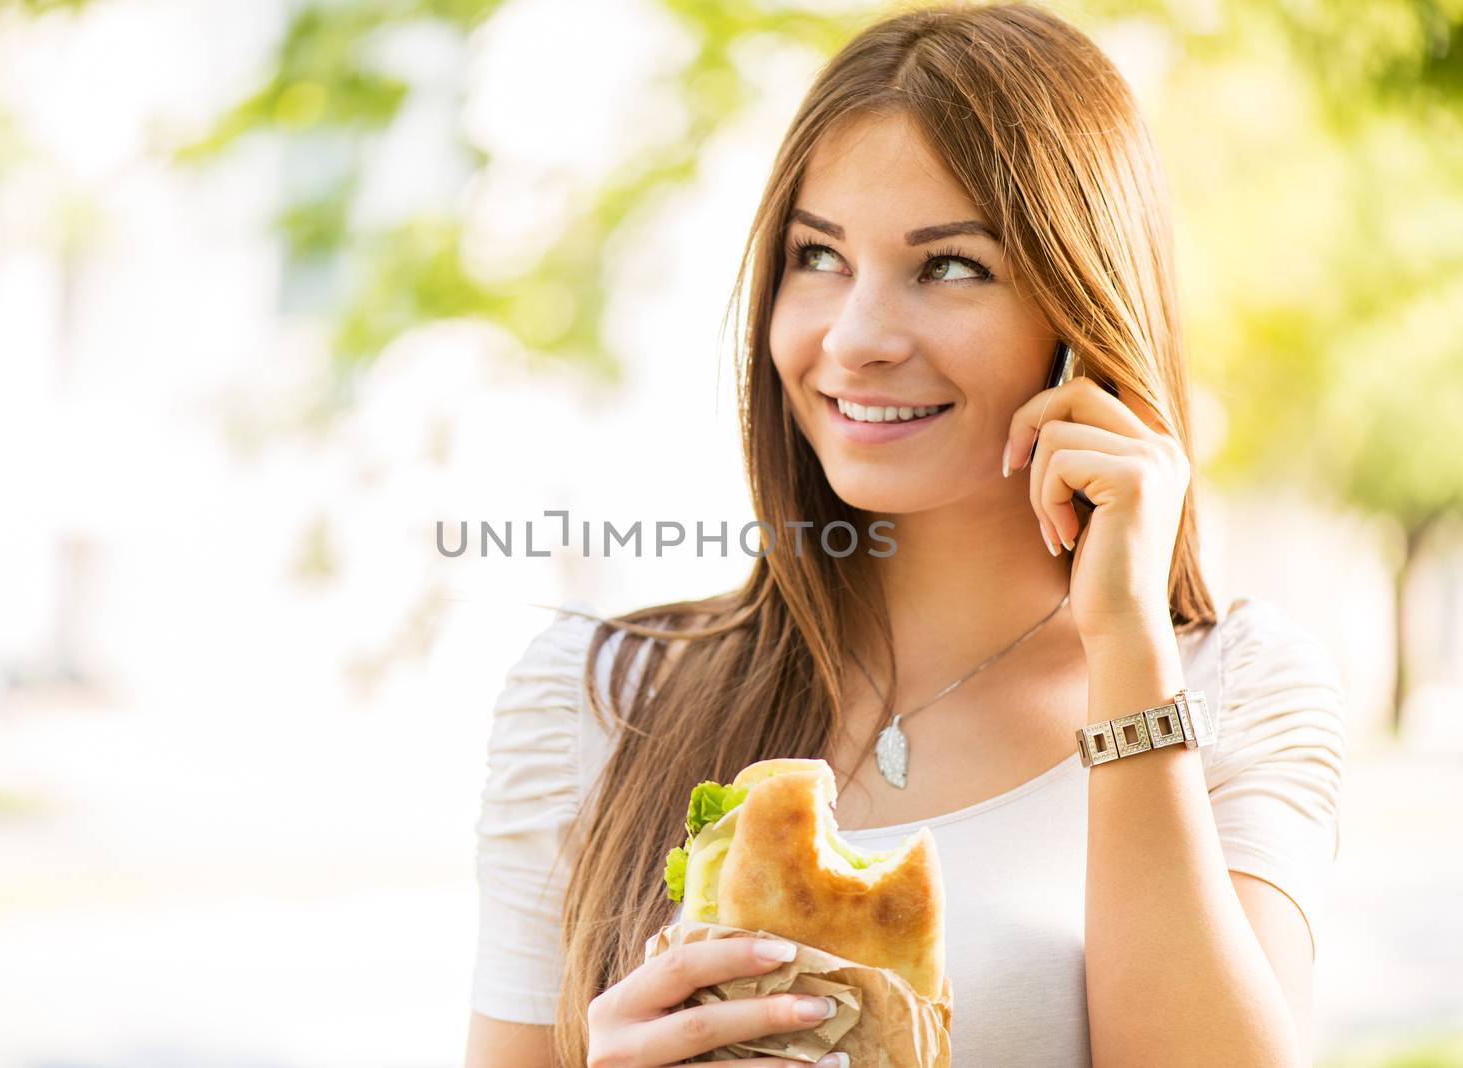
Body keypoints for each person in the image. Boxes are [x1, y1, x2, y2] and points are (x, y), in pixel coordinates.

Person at [464, 3, 1345, 1066]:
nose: (856, 336)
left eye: (950, 266)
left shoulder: (1234, 689)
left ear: (1081, 318)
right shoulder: (596, 699)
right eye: (817, 256)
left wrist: (1125, 644)